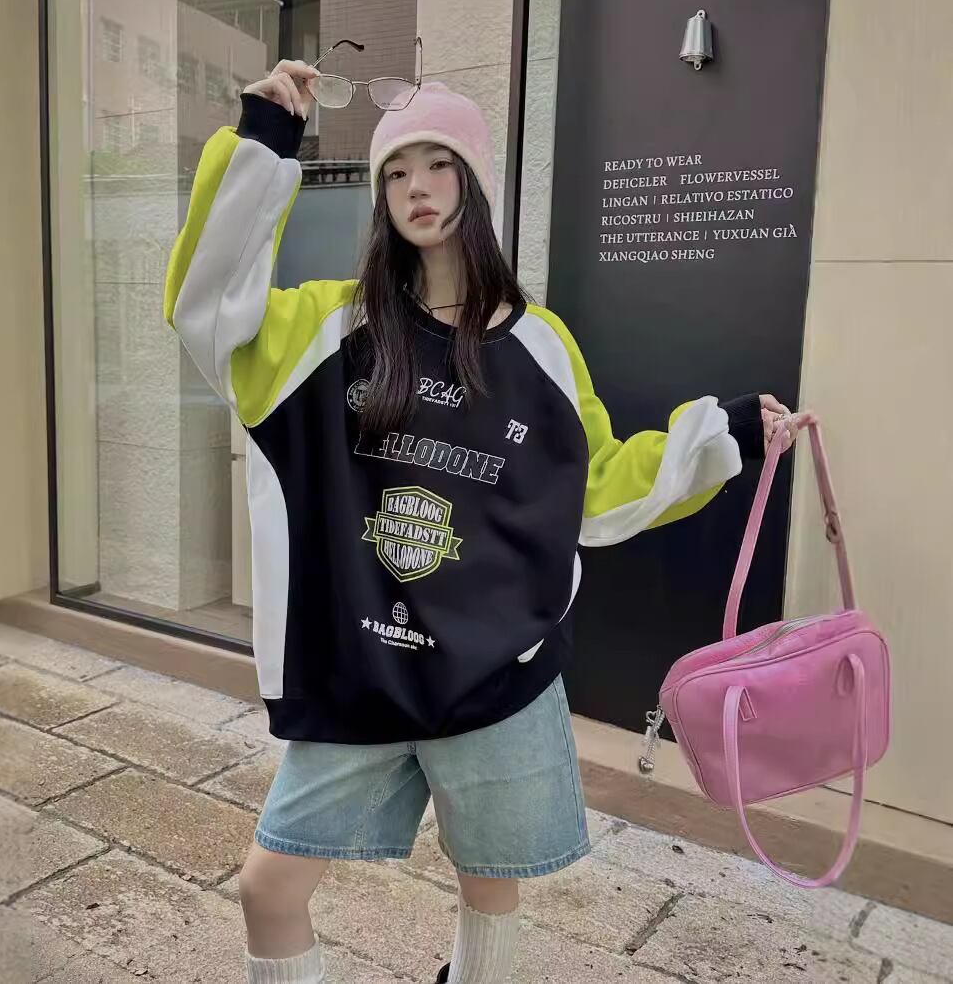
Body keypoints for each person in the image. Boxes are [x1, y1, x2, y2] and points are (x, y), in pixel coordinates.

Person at [163, 58, 798, 984]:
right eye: (395, 172)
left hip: (495, 674)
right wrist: (264, 141)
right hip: (359, 675)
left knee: (489, 887)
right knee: (269, 888)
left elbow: (595, 489)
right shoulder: (327, 330)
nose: (416, 188)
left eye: (438, 164)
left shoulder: (539, 341)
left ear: (475, 181)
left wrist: (725, 433)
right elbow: (209, 310)